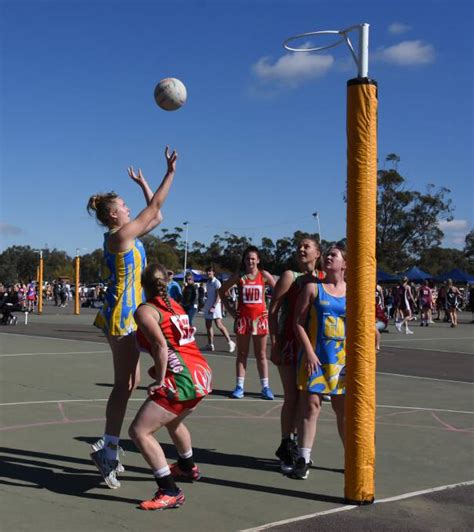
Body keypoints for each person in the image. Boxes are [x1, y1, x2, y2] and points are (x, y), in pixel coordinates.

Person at [87, 146, 178, 489]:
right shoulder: (121, 236)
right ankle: (109, 449)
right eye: (123, 206)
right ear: (113, 216)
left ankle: (109, 446)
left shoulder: (127, 234)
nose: (128, 208)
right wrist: (170, 172)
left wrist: (144, 184)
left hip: (126, 315)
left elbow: (157, 216)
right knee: (123, 385)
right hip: (121, 317)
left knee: (129, 384)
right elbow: (153, 209)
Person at [129, 263, 212, 510]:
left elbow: (161, 346)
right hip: (202, 373)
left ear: (142, 285)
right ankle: (187, 467)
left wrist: (159, 379)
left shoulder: (146, 310)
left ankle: (169, 490)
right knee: (172, 420)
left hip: (183, 378)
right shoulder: (174, 306)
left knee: (139, 431)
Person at [268, 237, 323, 473]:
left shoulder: (323, 280)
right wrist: (276, 341)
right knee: (292, 396)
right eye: (299, 246)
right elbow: (273, 311)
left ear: (318, 253)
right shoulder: (290, 276)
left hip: (313, 345)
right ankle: (286, 443)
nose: (301, 249)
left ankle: (302, 450)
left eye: (306, 246)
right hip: (291, 342)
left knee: (307, 399)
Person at [292, 245, 347, 479]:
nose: (328, 257)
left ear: (344, 264)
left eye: (334, 255)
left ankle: (351, 457)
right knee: (311, 407)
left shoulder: (353, 292)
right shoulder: (313, 288)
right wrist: (309, 352)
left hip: (341, 361)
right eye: (327, 254)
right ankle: (304, 458)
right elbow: (298, 323)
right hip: (315, 358)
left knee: (342, 411)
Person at [219, 246, 275, 400]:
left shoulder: (264, 275)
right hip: (243, 321)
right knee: (242, 354)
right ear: (244, 260)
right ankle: (239, 387)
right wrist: (231, 311)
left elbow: (278, 292)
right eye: (247, 258)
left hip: (260, 321)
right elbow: (222, 291)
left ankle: (265, 387)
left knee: (261, 354)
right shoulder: (239, 276)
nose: (250, 261)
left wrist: (270, 311)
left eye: (253, 258)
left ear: (258, 260)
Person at [203, 266, 236, 352]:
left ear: (213, 273)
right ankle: (210, 344)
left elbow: (219, 295)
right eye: (207, 271)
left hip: (215, 307)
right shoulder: (208, 282)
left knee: (219, 325)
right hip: (208, 306)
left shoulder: (217, 282)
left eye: (210, 271)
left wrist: (214, 306)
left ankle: (230, 342)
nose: (208, 273)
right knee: (208, 325)